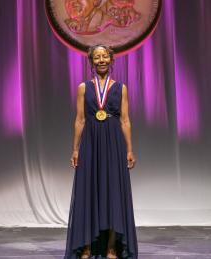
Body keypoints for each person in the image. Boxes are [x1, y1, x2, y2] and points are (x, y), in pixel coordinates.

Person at [64, 44, 138, 259]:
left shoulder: (121, 88)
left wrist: (130, 149)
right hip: (91, 143)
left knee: (113, 191)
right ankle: (86, 246)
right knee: (89, 190)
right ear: (92, 62)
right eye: (97, 57)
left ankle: (112, 247)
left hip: (114, 143)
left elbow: (125, 120)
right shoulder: (83, 88)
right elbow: (79, 120)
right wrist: (75, 149)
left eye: (105, 56)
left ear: (111, 60)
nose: (102, 60)